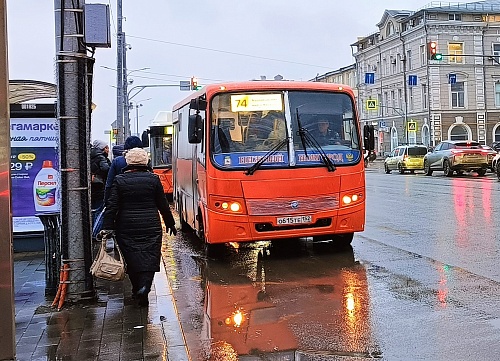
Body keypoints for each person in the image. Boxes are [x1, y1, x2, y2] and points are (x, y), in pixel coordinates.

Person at [100, 147, 177, 307]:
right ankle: (145, 288)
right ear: (145, 161)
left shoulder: (120, 180)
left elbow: (112, 206)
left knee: (132, 258)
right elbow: (162, 204)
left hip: (126, 226)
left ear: (128, 162)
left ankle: (137, 289)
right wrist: (170, 223)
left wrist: (107, 227)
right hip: (150, 225)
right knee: (150, 257)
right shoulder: (153, 179)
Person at [104, 135, 143, 204]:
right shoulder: (145, 161)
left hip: (123, 199)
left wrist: (107, 202)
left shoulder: (117, 161)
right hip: (143, 198)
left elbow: (109, 184)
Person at [90, 139, 111, 213]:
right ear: (103, 148)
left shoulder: (90, 155)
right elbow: (106, 169)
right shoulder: (101, 157)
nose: (108, 150)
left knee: (92, 208)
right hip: (100, 186)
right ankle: (97, 224)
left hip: (92, 186)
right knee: (100, 209)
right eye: (107, 148)